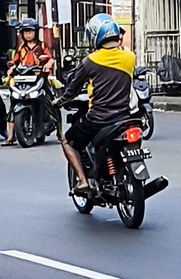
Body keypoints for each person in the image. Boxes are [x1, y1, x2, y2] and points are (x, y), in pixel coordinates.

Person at [59, 14, 140, 190]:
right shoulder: (130, 57)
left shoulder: (89, 61)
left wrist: (58, 102)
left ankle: (82, 180)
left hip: (98, 118)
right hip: (125, 117)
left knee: (67, 141)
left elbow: (71, 91)